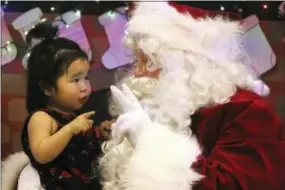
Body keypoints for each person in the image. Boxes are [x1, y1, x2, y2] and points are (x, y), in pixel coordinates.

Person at [99, 2, 285, 190]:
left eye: (147, 61)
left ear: (185, 62)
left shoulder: (247, 112)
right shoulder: (167, 108)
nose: (137, 72)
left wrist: (152, 141)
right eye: (136, 60)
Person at [20, 21, 102, 190]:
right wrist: (70, 129)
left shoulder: (71, 116)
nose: (84, 87)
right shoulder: (41, 118)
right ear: (48, 88)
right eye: (75, 80)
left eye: (86, 77)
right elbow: (41, 153)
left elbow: (81, 146)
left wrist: (100, 133)